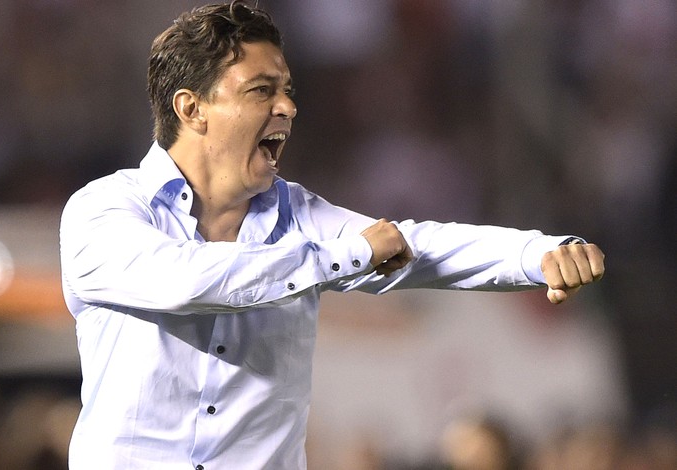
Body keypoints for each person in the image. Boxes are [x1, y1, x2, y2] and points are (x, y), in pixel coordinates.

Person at [58, 1, 605, 468]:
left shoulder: (298, 217)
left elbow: (420, 246)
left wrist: (539, 253)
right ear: (192, 108)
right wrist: (340, 259)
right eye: (261, 90)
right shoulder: (101, 212)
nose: (288, 107)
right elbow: (185, 282)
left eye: (288, 89)